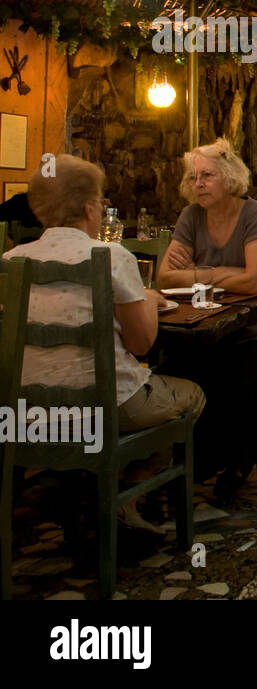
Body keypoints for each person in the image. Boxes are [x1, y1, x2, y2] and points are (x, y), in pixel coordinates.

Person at [4, 155, 206, 531]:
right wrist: (146, 299)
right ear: (89, 207)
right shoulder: (111, 257)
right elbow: (142, 344)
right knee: (190, 395)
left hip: (25, 414)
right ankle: (125, 495)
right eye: (101, 202)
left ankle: (71, 494)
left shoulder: (11, 261)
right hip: (102, 410)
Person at [155, 138, 257, 503]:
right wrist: (224, 271)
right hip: (204, 329)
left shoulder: (256, 213)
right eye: (193, 177)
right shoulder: (190, 216)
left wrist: (196, 272)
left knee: (245, 381)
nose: (198, 184)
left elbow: (254, 282)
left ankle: (239, 461)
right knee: (173, 372)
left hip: (255, 331)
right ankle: (188, 461)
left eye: (207, 176)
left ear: (229, 177)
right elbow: (165, 278)